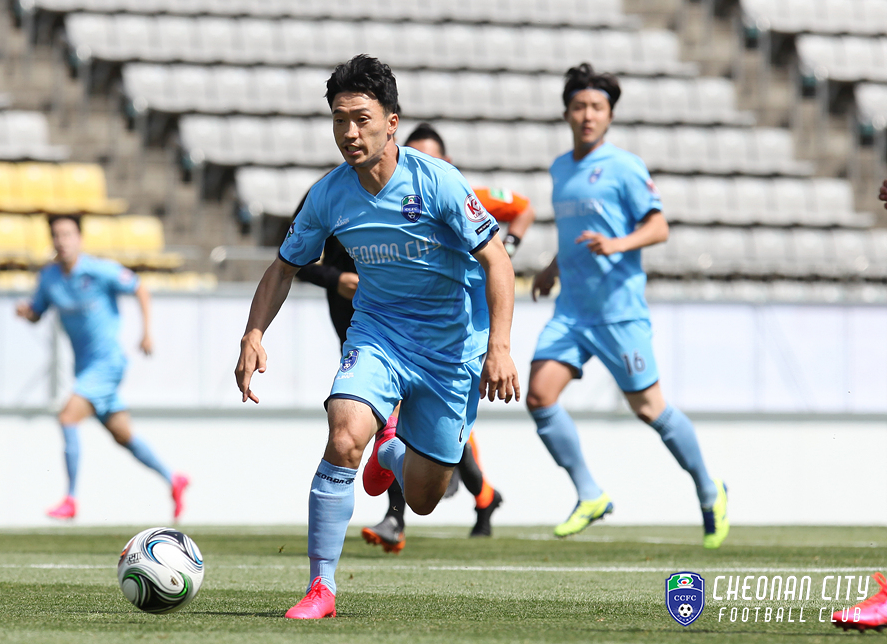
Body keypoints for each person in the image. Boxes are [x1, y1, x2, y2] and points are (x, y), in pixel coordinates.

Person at [235, 55, 519, 619]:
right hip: (378, 333)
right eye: (339, 120)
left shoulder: (437, 182)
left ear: (392, 122)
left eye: (361, 119)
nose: (349, 132)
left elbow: (497, 261)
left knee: (424, 498)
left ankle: (392, 451)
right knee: (343, 436)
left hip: (450, 349)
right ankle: (321, 588)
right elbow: (284, 267)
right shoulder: (328, 194)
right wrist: (253, 333)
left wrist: (500, 348)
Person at [527, 63, 728, 549]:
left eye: (597, 107)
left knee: (650, 409)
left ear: (610, 115)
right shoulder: (560, 168)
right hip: (572, 312)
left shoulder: (625, 166)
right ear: (566, 113)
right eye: (579, 107)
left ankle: (709, 488)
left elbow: (658, 227)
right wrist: (553, 267)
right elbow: (574, 234)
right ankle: (590, 494)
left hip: (619, 312)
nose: (587, 115)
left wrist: (618, 244)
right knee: (539, 396)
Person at [361, 122, 536, 552]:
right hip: (418, 337)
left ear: (448, 162)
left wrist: (509, 246)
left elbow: (524, 208)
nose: (422, 163)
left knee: (445, 440)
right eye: (415, 154)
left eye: (432, 156)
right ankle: (397, 517)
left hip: (464, 339)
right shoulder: (398, 203)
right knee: (397, 422)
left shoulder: (466, 196)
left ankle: (479, 495)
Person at [16, 214, 189, 521]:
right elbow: (37, 313)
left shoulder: (99, 270)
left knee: (68, 416)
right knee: (123, 435)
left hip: (108, 363)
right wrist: (26, 312)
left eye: (68, 234)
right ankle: (173, 479)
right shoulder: (49, 279)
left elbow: (140, 287)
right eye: (57, 235)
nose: (62, 241)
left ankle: (70, 499)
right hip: (84, 368)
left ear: (79, 239)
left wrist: (147, 332)